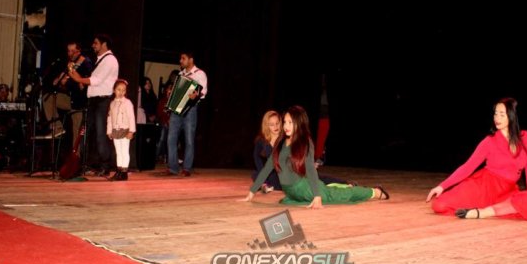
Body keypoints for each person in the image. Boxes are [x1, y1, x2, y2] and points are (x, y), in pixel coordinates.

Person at [243, 105, 389, 208]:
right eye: (285, 122)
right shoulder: (281, 142)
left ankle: (375, 192)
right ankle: (331, 188)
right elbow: (267, 168)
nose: (286, 126)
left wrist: (317, 196)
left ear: (299, 123)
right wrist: (251, 192)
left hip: (306, 189)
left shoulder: (304, 142)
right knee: (332, 189)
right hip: (291, 193)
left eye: (290, 122)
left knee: (343, 195)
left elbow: (311, 169)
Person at [426, 97, 527, 220]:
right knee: (439, 205)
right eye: (495, 114)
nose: (497, 118)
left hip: (507, 191)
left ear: (513, 116)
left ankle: (483, 213)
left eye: (502, 114)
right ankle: (492, 210)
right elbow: (468, 167)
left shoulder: (525, 137)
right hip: (484, 187)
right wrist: (442, 186)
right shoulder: (489, 142)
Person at [252, 110, 351, 194]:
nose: (275, 126)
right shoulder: (261, 141)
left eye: (277, 123)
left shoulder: (285, 138)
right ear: (266, 126)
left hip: (290, 172)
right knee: (256, 174)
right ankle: (264, 185)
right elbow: (258, 160)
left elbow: (295, 156)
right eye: (271, 124)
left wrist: (306, 164)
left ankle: (345, 183)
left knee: (316, 178)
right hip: (273, 174)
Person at [68, 34, 119, 177]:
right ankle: (84, 164)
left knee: (100, 134)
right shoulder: (101, 60)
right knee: (86, 132)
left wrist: (78, 78)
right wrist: (75, 75)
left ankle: (105, 165)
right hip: (94, 101)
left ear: (104, 44)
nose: (93, 45)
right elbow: (93, 80)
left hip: (102, 101)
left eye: (96, 43)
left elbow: (96, 80)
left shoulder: (110, 60)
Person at [166, 51, 208, 177]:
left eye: (183, 58)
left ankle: (187, 168)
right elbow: (176, 91)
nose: (180, 61)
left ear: (191, 59)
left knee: (189, 139)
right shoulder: (181, 74)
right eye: (180, 58)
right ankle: (173, 167)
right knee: (171, 138)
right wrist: (170, 93)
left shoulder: (199, 74)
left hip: (191, 109)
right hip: (177, 108)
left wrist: (196, 94)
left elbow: (203, 91)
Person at [42, 41, 93, 139]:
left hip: (80, 101)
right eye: (68, 51)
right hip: (70, 97)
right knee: (47, 98)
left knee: (77, 133)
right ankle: (57, 127)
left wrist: (71, 77)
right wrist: (61, 80)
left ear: (79, 51)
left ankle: (76, 150)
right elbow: (59, 82)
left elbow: (85, 85)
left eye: (73, 51)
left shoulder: (86, 63)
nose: (70, 54)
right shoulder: (70, 63)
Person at [106, 79, 135, 181]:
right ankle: (118, 171)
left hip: (125, 130)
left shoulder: (127, 103)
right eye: (119, 89)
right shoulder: (112, 104)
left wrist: (131, 131)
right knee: (118, 152)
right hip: (116, 131)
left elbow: (131, 117)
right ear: (114, 90)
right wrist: (109, 131)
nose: (121, 92)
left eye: (123, 90)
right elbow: (110, 118)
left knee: (125, 151)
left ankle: (124, 172)